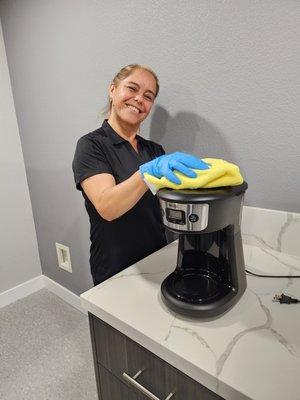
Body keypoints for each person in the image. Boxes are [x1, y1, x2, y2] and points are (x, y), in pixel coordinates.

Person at [72, 64, 209, 286]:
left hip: (158, 257)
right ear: (113, 89)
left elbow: (167, 206)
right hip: (114, 266)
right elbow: (107, 207)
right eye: (132, 88)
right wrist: (146, 173)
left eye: (148, 96)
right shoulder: (91, 145)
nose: (139, 99)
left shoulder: (154, 150)